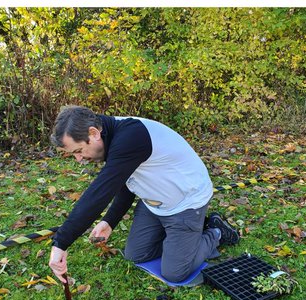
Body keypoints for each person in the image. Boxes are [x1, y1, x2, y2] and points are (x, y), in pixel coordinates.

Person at [48, 105, 241, 286]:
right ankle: (180, 240)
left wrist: (61, 243)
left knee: (175, 272)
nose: (79, 159)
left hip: (186, 203)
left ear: (93, 133)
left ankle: (215, 233)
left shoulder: (130, 136)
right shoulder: (111, 134)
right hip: (155, 202)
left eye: (79, 151)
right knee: (136, 255)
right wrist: (109, 221)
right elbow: (124, 180)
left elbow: (99, 193)